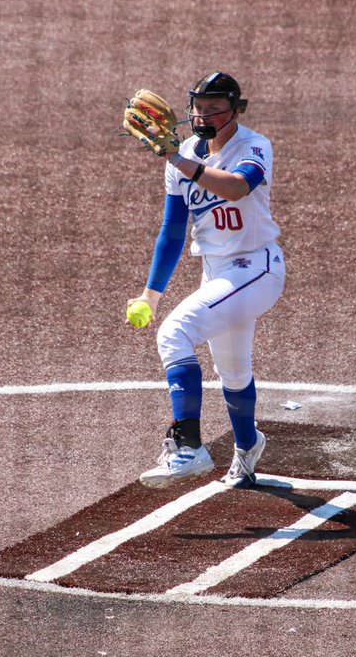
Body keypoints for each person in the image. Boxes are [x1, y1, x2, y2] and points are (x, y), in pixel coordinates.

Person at [126, 71, 285, 489]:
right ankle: (248, 448)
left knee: (174, 334)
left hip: (257, 268)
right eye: (200, 106)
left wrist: (178, 160)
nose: (206, 115)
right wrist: (151, 294)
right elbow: (173, 231)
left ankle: (188, 446)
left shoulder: (252, 146)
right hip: (216, 273)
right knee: (232, 371)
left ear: (236, 111)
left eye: (216, 108)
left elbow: (236, 188)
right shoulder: (182, 154)